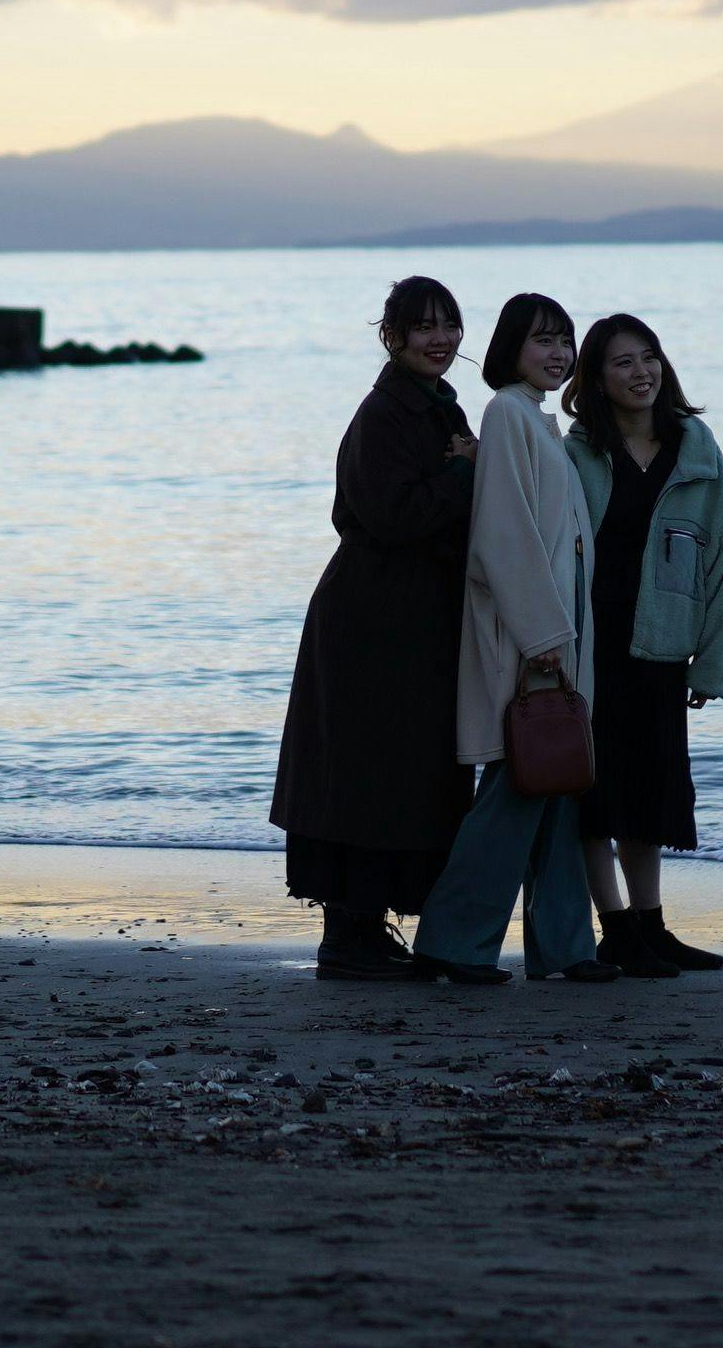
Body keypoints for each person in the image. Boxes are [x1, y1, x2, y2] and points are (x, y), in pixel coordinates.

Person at [271, 276, 481, 980]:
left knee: (403, 770)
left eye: (449, 325)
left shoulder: (437, 405)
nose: (440, 339)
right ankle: (348, 932)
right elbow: (393, 518)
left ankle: (367, 926)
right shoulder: (383, 414)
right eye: (424, 326)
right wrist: (463, 474)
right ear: (392, 337)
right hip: (371, 618)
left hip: (412, 615)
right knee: (366, 772)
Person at [410, 292, 612, 986]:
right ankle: (452, 943)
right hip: (532, 637)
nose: (558, 353)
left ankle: (567, 948)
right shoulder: (506, 413)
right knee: (517, 789)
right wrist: (542, 632)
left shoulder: (535, 419)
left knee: (556, 787)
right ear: (510, 349)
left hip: (558, 631)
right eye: (542, 340)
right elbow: (503, 536)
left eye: (564, 340)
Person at [562, 313, 723, 979]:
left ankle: (651, 926)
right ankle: (616, 931)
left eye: (649, 357)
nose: (641, 372)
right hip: (590, 645)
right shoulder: (577, 453)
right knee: (595, 795)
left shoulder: (697, 451)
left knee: (650, 792)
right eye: (623, 362)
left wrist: (713, 660)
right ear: (596, 379)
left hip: (662, 645)